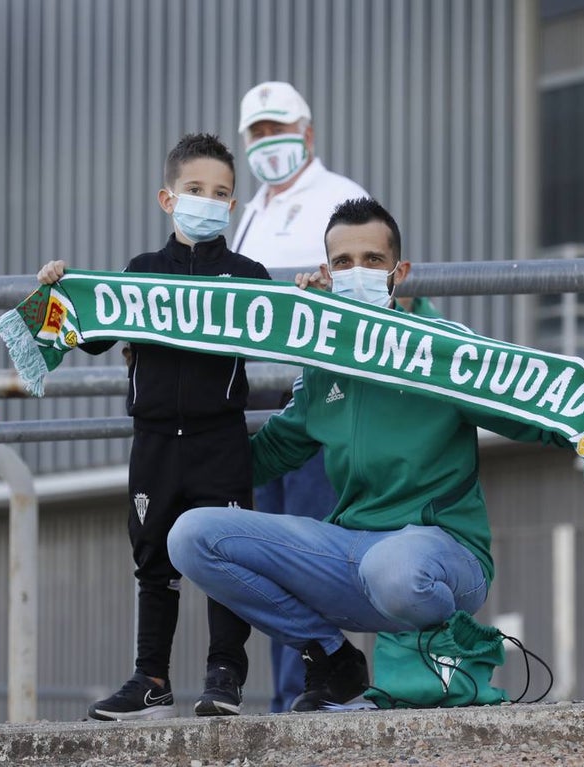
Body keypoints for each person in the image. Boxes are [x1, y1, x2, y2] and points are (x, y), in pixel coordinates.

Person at [167, 197, 584, 712]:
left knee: (395, 568)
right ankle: (330, 655)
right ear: (326, 271)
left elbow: (542, 419)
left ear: (400, 272)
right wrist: (183, 440)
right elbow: (269, 453)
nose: (357, 273)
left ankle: (420, 680)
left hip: (442, 558)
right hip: (351, 554)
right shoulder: (325, 360)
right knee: (191, 536)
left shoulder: (446, 352)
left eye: (372, 260)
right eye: (343, 263)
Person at [35, 133, 270, 721]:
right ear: (168, 199)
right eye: (195, 190)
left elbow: (296, 329)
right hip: (156, 443)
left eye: (221, 193)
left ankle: (224, 676)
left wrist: (310, 294)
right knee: (153, 562)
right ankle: (151, 679)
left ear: (234, 205)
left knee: (229, 557)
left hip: (222, 441)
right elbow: (86, 336)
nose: (208, 201)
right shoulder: (140, 274)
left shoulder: (249, 276)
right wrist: (59, 288)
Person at [231, 80, 371, 713]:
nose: (268, 142)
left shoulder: (341, 197)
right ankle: (295, 693)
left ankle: (322, 690)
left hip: (317, 401)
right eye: (257, 132)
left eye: (278, 128)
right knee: (268, 557)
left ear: (307, 131)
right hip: (257, 409)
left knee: (312, 549)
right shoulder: (251, 210)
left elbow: (365, 286)